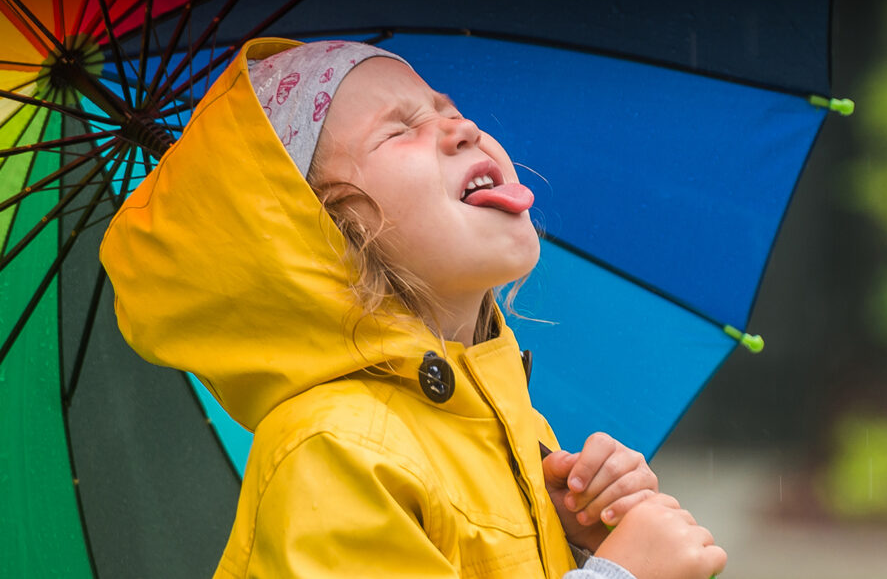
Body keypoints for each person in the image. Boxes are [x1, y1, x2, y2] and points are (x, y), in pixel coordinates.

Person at [100, 37, 726, 579]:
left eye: (449, 110)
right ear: (319, 232)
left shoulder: (514, 430)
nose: (462, 128)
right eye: (399, 130)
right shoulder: (334, 453)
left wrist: (573, 541)